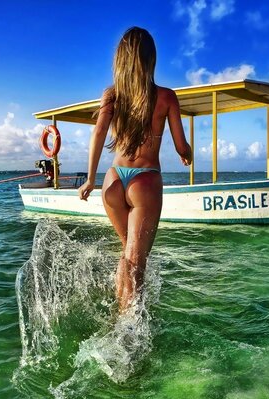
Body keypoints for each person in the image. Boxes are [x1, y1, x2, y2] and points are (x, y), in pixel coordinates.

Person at [78, 27, 192, 313]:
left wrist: (91, 178)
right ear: (150, 59)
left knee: (127, 253)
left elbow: (99, 134)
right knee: (136, 263)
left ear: (121, 61)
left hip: (113, 180)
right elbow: (181, 144)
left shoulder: (112, 95)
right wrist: (186, 154)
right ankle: (129, 333)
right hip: (145, 181)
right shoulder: (166, 97)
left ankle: (119, 315)